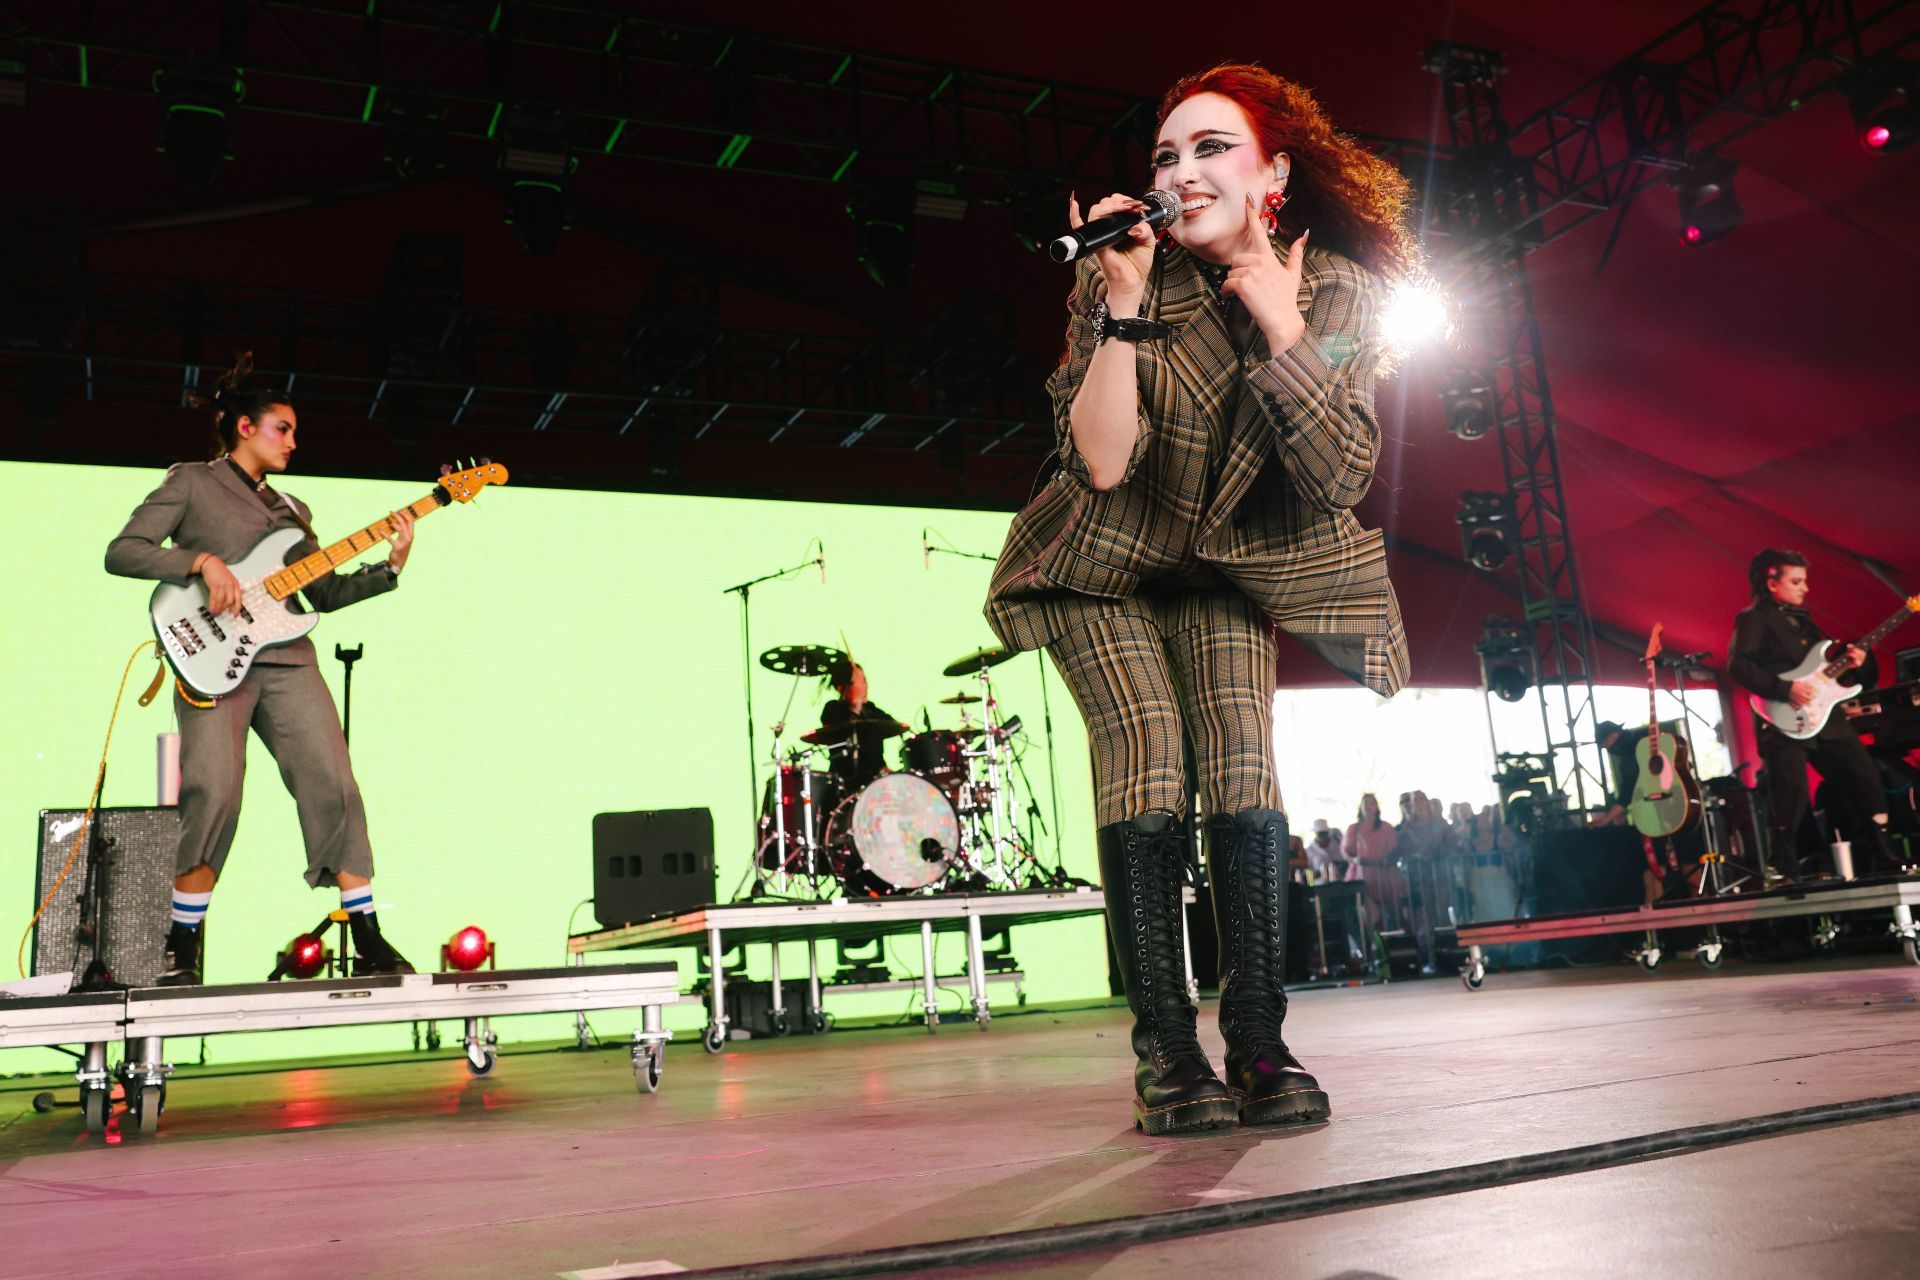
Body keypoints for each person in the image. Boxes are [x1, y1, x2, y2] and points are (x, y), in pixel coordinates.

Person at [985, 63, 1417, 1134]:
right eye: (1165, 155)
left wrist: (1282, 325)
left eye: (1210, 147)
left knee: (1239, 761)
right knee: (1149, 758)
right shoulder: (1118, 277)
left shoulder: (1341, 295)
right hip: (1104, 563)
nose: (1181, 171)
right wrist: (1124, 302)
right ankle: (1169, 1055)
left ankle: (1260, 1045)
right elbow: (1098, 462)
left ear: (1272, 173)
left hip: (1224, 567)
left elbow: (1338, 475)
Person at [105, 354, 416, 985]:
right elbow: (123, 552)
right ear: (245, 427)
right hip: (210, 659)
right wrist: (199, 563)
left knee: (334, 782)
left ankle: (367, 934)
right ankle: (181, 944)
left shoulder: (294, 510)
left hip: (288, 659)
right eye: (284, 428)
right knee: (213, 791)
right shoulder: (190, 481)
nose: (295, 442)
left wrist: (391, 565)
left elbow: (322, 594)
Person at [1728, 549, 1896, 879]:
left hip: (1824, 715)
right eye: (1796, 581)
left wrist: (1856, 663)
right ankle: (1784, 861)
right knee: (1790, 787)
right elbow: (1739, 665)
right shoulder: (1753, 618)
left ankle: (1881, 851)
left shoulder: (1803, 619)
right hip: (1783, 715)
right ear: (1771, 582)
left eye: (1804, 580)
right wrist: (1783, 689)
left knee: (1863, 775)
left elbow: (1821, 671)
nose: (1805, 588)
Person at [817, 659, 904, 793]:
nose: (865, 686)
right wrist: (856, 703)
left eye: (865, 680)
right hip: (846, 782)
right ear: (840, 687)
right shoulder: (833, 709)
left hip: (877, 780)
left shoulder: (871, 709)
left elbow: (894, 725)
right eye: (859, 681)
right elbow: (841, 723)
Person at [1346, 793, 1404, 930]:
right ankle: (1376, 946)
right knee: (1371, 917)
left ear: (1377, 807)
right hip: (1363, 878)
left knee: (1396, 914)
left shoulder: (1386, 827)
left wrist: (1385, 860)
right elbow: (1348, 852)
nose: (1368, 806)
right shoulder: (1353, 829)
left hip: (1386, 876)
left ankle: (1405, 943)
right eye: (1365, 803)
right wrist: (1356, 860)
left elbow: (1395, 850)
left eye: (1372, 803)